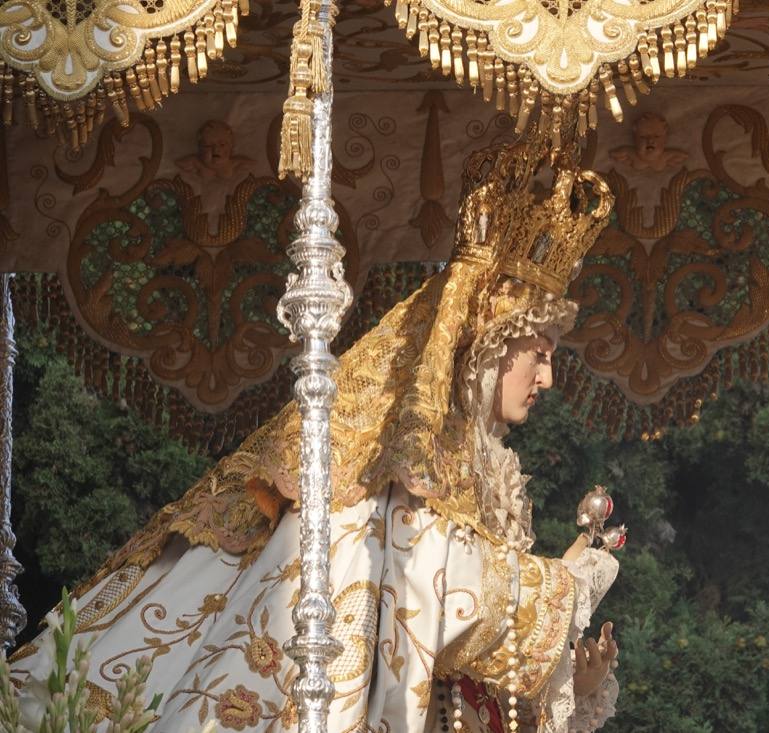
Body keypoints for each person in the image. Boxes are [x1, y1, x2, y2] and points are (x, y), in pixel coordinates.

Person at [10, 131, 622, 732]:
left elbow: (462, 685)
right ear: (486, 346)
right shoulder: (396, 462)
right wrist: (564, 588)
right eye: (536, 351)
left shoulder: (484, 468)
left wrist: (571, 683)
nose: (547, 375)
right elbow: (435, 587)